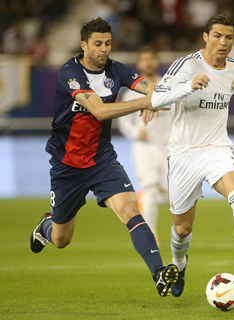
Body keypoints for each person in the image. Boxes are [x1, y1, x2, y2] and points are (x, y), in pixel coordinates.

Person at [29, 17, 178, 297]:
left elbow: (152, 89)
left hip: (102, 160)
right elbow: (98, 110)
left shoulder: (117, 70)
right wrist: (145, 102)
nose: (104, 49)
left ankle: (159, 272)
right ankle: (46, 225)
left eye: (108, 43)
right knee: (62, 239)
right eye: (97, 44)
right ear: (84, 44)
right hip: (67, 165)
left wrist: (158, 98)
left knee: (131, 209)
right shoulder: (70, 73)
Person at [150, 13, 234, 297]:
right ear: (205, 37)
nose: (223, 42)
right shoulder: (186, 65)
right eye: (217, 36)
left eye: (229, 37)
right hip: (183, 153)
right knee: (182, 228)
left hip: (217, 148)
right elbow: (157, 98)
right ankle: (179, 264)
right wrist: (187, 86)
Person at [118, 47, 171, 245]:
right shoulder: (132, 91)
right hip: (144, 148)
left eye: (151, 58)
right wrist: (134, 133)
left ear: (157, 62)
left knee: (172, 197)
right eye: (144, 59)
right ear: (139, 65)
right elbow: (123, 121)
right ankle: (151, 236)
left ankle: (178, 234)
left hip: (169, 148)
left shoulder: (167, 86)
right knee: (149, 191)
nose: (148, 62)